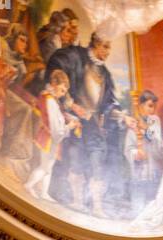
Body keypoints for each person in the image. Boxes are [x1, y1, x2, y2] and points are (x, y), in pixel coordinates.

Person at [44, 29, 133, 217]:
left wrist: (122, 116)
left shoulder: (105, 73)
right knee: (76, 159)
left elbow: (109, 102)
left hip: (93, 124)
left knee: (98, 161)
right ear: (95, 42)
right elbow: (56, 68)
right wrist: (70, 104)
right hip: (75, 122)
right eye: (105, 46)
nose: (107, 52)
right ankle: (77, 201)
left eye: (109, 48)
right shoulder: (75, 56)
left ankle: (97, 207)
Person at [26, 68, 80, 199]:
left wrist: (67, 119)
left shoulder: (49, 98)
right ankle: (28, 185)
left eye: (65, 91)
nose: (63, 94)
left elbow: (57, 118)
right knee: (45, 167)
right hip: (49, 138)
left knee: (49, 166)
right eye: (62, 90)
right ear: (54, 85)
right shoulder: (50, 100)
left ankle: (44, 193)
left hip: (49, 137)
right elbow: (56, 129)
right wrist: (69, 126)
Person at [123, 90, 163, 213]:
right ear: (140, 106)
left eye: (154, 107)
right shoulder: (133, 123)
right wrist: (136, 153)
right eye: (150, 106)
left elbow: (160, 147)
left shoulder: (154, 122)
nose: (153, 110)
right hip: (139, 171)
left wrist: (147, 129)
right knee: (139, 204)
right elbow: (128, 148)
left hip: (153, 171)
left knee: (153, 203)